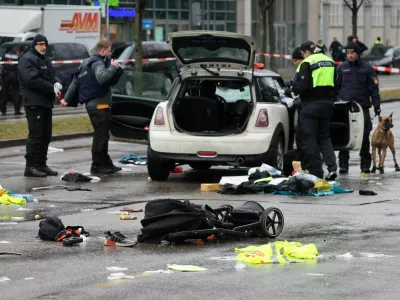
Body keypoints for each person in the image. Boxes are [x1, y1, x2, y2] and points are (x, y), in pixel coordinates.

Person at [60, 40, 124, 174]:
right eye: (109, 51)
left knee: (102, 135)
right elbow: (102, 78)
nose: (110, 54)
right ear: (102, 51)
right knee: (101, 136)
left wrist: (66, 99)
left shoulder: (85, 63)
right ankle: (97, 165)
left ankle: (105, 163)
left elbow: (75, 83)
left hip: (94, 105)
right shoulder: (98, 62)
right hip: (99, 105)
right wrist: (113, 67)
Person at [292, 41, 337, 180]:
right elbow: (336, 83)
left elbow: (303, 87)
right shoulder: (330, 61)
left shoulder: (307, 62)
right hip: (328, 105)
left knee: (309, 138)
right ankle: (332, 168)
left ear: (306, 52)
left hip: (311, 105)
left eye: (302, 53)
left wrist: (293, 88)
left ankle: (315, 171)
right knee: (324, 137)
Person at [17, 34, 61, 177]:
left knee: (45, 134)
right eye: (40, 45)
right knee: (35, 135)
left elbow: (50, 76)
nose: (43, 47)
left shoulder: (45, 59)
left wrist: (56, 82)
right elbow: (32, 80)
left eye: (45, 45)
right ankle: (31, 166)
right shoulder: (27, 59)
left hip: (46, 102)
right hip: (34, 102)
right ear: (34, 45)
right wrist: (50, 87)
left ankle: (41, 164)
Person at [335, 42, 381, 174]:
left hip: (362, 107)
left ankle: (365, 165)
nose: (350, 55)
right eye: (348, 53)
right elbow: (336, 86)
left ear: (357, 53)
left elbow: (374, 89)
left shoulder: (367, 68)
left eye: (352, 53)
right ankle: (343, 164)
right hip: (345, 107)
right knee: (345, 135)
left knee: (364, 135)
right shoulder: (341, 68)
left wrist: (377, 105)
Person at [1, 45, 22, 116]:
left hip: (6, 75)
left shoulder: (5, 55)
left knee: (4, 93)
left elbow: (3, 64)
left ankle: (3, 110)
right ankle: (17, 110)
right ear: (17, 50)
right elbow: (19, 66)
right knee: (16, 93)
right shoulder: (17, 56)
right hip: (14, 75)